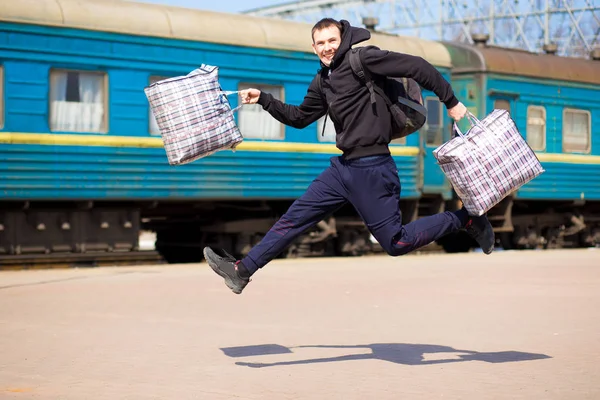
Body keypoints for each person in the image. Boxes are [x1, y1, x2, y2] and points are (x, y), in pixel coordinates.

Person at [203, 18, 494, 294]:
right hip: (342, 169)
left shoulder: (364, 59)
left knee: (396, 242)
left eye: (332, 40)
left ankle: (466, 219)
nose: (327, 47)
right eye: (320, 43)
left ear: (342, 39)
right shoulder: (322, 80)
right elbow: (300, 117)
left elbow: (418, 66)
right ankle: (242, 271)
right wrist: (264, 99)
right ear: (313, 48)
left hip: (373, 167)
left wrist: (451, 102)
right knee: (294, 218)